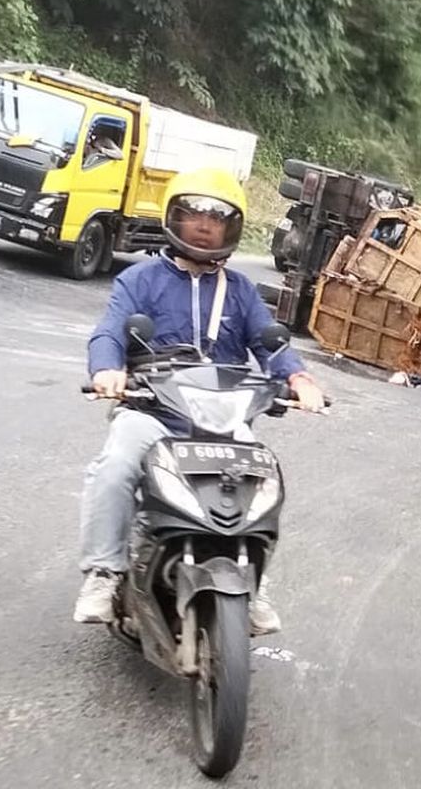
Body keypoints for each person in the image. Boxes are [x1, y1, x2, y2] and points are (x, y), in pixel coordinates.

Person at [73, 166, 325, 632]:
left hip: (223, 414)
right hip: (152, 408)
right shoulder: (141, 280)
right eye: (193, 215)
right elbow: (109, 331)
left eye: (217, 219)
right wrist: (108, 369)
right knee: (115, 467)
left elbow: (271, 346)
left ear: (233, 229)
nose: (205, 226)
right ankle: (104, 574)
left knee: (262, 481)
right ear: (174, 218)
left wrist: (299, 379)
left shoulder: (242, 291)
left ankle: (252, 582)